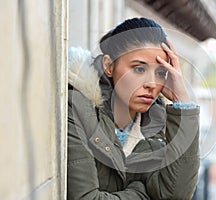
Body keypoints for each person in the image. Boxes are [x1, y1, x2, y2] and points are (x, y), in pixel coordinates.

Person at [67, 17, 200, 200]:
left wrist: (182, 101)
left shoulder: (156, 131)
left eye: (161, 73)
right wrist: (140, 193)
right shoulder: (77, 109)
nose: (152, 84)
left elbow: (175, 194)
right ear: (109, 66)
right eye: (139, 69)